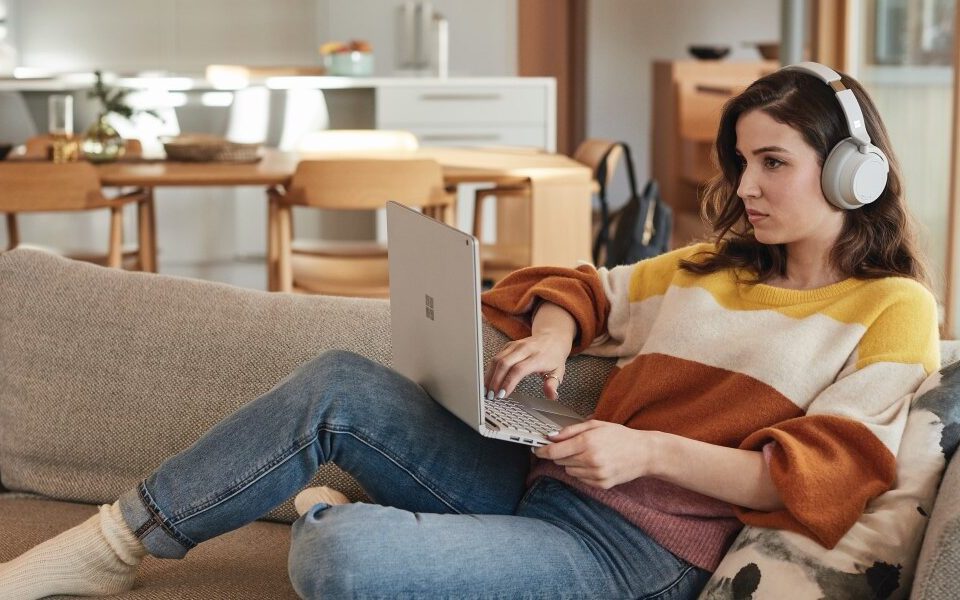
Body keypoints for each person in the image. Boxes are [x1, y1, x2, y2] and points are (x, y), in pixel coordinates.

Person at [0, 62, 940, 600]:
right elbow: (581, 284)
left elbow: (821, 478)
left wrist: (644, 452)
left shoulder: (890, 307)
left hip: (637, 556)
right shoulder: (708, 266)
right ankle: (117, 546)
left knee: (340, 558)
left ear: (853, 172)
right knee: (337, 379)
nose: (745, 188)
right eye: (740, 162)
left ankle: (335, 515)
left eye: (773, 163)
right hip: (548, 479)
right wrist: (558, 338)